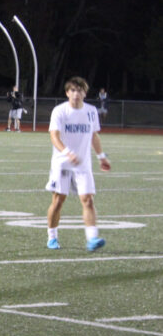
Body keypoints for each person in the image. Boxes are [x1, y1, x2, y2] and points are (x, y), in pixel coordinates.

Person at [45, 76, 111, 252]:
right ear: (67, 93)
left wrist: (101, 156)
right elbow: (54, 136)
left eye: (80, 90)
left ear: (85, 93)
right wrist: (67, 153)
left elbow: (93, 135)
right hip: (63, 164)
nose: (76, 94)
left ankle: (92, 238)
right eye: (72, 90)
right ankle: (52, 236)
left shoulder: (91, 111)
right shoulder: (59, 111)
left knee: (88, 200)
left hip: (83, 165)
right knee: (58, 201)